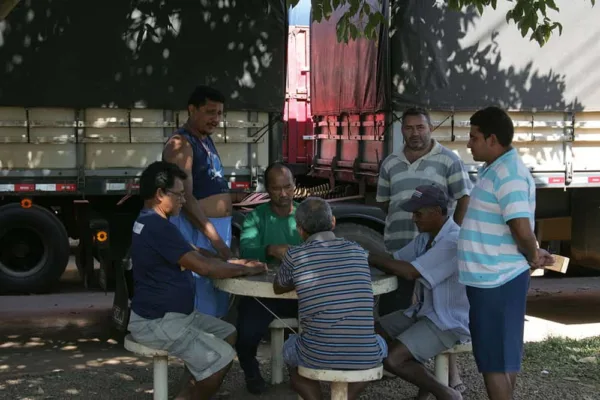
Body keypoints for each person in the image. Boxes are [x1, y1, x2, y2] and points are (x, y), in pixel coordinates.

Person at [126, 161, 267, 400]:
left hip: (174, 316)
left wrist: (236, 264)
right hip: (157, 322)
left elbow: (196, 252)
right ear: (160, 194)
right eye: (179, 195)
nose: (184, 200)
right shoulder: (158, 227)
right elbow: (204, 268)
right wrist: (246, 271)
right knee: (221, 360)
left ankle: (193, 385)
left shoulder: (151, 220)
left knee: (228, 333)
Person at [458, 106, 554, 400]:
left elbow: (521, 228)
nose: (468, 143)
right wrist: (531, 253)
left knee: (494, 365)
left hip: (496, 282)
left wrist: (531, 254)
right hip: (491, 281)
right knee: (500, 361)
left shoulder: (509, 173)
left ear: (492, 139)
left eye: (474, 137)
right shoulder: (495, 168)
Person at [375, 107, 472, 392]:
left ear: (430, 128)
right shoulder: (391, 162)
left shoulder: (448, 160)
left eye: (420, 127)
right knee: (393, 313)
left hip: (443, 308)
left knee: (432, 313)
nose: (415, 133)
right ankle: (415, 372)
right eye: (409, 128)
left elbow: (463, 198)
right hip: (403, 248)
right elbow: (384, 203)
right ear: (401, 130)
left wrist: (448, 233)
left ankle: (446, 384)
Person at [274, 197, 388, 400]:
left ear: (299, 229)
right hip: (364, 355)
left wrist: (299, 278)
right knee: (379, 346)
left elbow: (278, 287)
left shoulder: (296, 255)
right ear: (333, 222)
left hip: (315, 354)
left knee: (289, 348)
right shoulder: (358, 250)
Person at [369, 185, 469, 400]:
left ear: (436, 211)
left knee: (394, 360)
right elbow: (395, 261)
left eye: (418, 213)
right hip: (423, 312)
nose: (414, 218)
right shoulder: (426, 238)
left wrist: (367, 255)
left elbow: (409, 272)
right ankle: (427, 384)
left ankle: (447, 394)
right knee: (371, 334)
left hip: (448, 320)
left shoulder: (452, 241)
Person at [163, 85, 234, 318]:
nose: (216, 119)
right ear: (192, 109)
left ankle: (216, 352)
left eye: (220, 114)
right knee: (201, 301)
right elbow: (185, 199)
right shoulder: (181, 144)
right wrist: (218, 243)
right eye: (210, 112)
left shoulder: (204, 139)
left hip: (214, 230)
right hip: (199, 231)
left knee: (218, 295)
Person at [236, 163, 302, 394]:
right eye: (276, 188)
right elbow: (245, 251)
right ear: (267, 189)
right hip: (264, 294)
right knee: (245, 334)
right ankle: (252, 374)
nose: (283, 193)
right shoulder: (255, 217)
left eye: (288, 186)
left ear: (295, 186)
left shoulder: (306, 215)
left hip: (301, 292)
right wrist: (271, 249)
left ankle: (305, 375)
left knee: (323, 327)